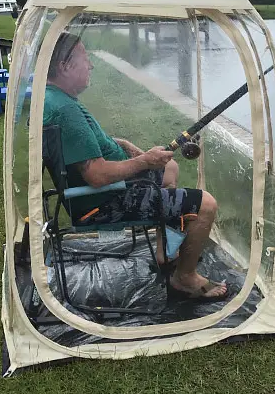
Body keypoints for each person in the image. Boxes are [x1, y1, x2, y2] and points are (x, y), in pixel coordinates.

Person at [43, 31, 227, 301]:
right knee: (206, 204)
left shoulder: (54, 98)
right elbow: (96, 175)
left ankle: (165, 251)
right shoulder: (65, 111)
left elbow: (83, 145)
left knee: (171, 169)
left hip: (103, 191)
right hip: (102, 202)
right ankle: (184, 278)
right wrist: (143, 161)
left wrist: (121, 143)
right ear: (65, 65)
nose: (91, 65)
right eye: (85, 58)